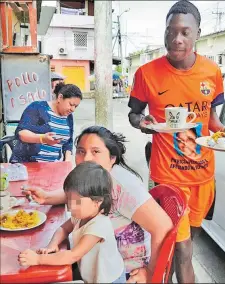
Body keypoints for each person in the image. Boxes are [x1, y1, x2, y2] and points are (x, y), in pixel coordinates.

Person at [128, 1, 225, 282]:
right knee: (182, 249)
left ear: (197, 34)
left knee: (183, 246)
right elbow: (135, 113)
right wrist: (143, 124)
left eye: (185, 32)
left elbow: (212, 120)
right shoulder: (146, 73)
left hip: (203, 177)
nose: (177, 39)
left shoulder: (212, 72)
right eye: (171, 31)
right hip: (169, 178)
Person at [22, 126, 173, 283]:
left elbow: (163, 227)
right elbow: (81, 195)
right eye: (81, 151)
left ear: (112, 158)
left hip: (125, 272)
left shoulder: (124, 187)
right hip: (98, 261)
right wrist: (47, 197)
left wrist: (150, 272)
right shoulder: (97, 179)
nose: (86, 158)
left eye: (95, 152)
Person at [19, 162, 126, 283]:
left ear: (98, 201)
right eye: (69, 199)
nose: (71, 206)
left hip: (110, 279)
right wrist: (53, 244)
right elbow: (63, 229)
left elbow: (72, 256)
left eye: (78, 202)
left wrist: (38, 259)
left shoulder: (98, 226)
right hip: (92, 274)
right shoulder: (81, 214)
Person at [10, 83, 82, 163]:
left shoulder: (69, 117)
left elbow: (68, 142)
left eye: (76, 106)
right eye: (71, 104)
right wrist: (42, 138)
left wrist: (67, 161)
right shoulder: (37, 107)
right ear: (60, 97)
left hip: (52, 167)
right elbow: (21, 133)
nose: (73, 109)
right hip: (26, 165)